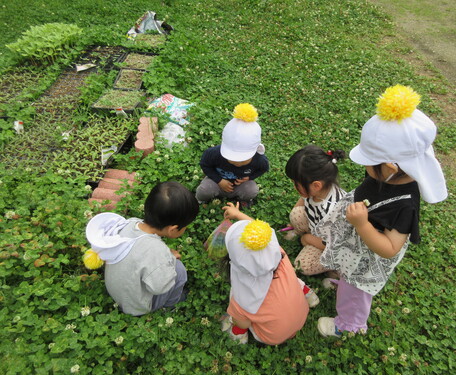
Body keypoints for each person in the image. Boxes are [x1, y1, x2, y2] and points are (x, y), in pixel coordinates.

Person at [315, 85, 448, 338]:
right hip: (356, 248)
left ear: (389, 166)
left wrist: (362, 224)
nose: (365, 165)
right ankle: (344, 282)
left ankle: (349, 324)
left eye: (368, 161)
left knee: (357, 292)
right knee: (348, 277)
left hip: (368, 259)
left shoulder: (405, 204)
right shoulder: (389, 177)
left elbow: (389, 248)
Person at [84, 181, 199, 316]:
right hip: (135, 306)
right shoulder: (156, 252)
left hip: (117, 293)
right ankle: (170, 306)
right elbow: (160, 287)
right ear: (173, 229)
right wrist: (170, 260)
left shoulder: (130, 223)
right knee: (179, 270)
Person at [219, 202, 317, 345]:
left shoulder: (243, 295)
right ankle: (306, 292)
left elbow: (244, 323)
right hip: (301, 314)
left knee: (239, 314)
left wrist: (239, 321)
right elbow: (264, 235)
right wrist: (239, 215)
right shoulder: (279, 254)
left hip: (273, 337)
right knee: (290, 278)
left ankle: (238, 335)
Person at [284, 145, 346, 276]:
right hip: (318, 229)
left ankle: (335, 270)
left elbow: (332, 245)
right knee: (296, 215)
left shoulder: (331, 211)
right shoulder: (317, 190)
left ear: (316, 185)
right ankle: (308, 237)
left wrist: (307, 239)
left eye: (296, 183)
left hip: (334, 245)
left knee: (303, 266)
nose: (294, 186)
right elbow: (303, 200)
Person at [195, 103, 269, 206]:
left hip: (240, 185)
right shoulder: (214, 153)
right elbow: (205, 164)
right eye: (232, 158)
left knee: (251, 190)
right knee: (204, 190)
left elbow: (264, 168)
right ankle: (200, 200)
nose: (237, 162)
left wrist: (250, 177)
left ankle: (242, 200)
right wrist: (219, 180)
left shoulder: (259, 159)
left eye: (243, 159)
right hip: (217, 182)